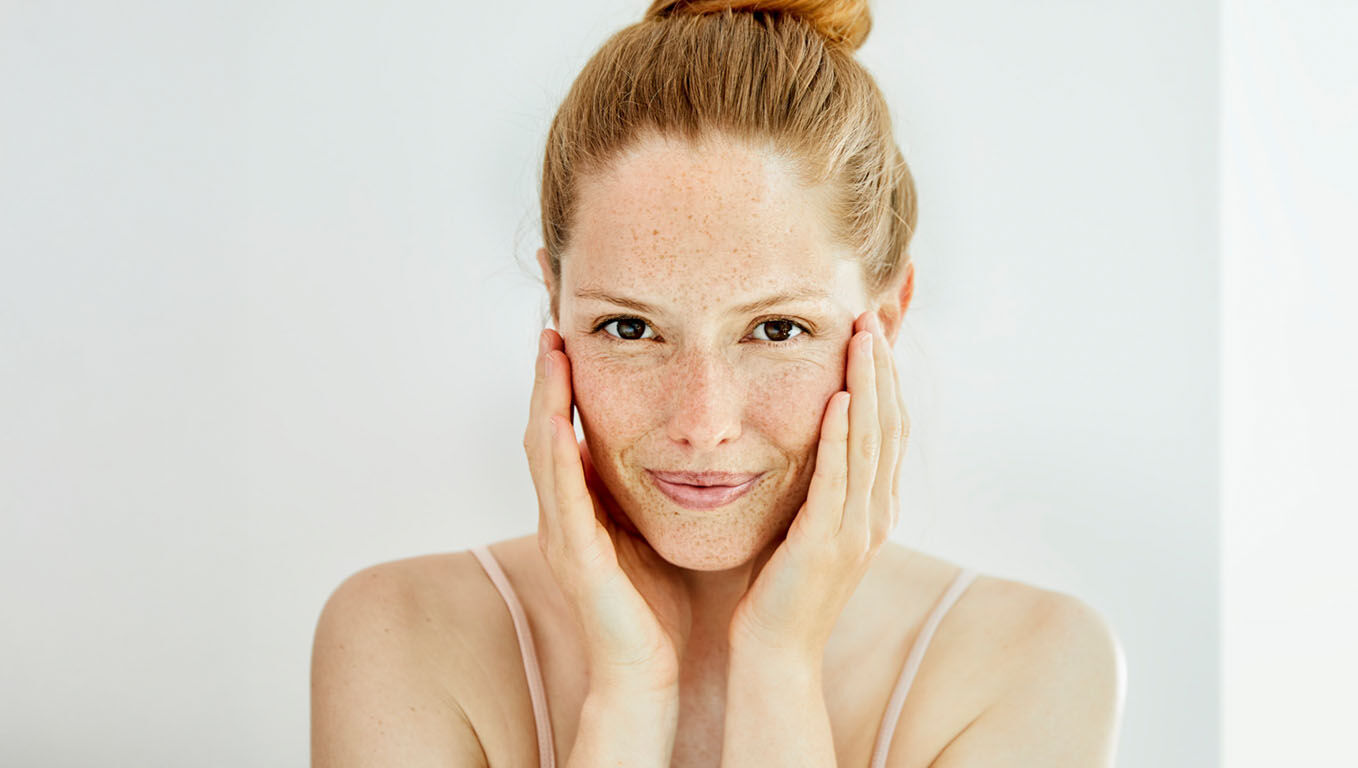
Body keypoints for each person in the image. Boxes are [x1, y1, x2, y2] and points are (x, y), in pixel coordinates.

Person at [310, 1, 1125, 765]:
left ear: (887, 314)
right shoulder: (401, 635)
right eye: (629, 328)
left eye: (777, 330)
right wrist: (628, 695)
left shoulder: (1033, 661)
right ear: (553, 303)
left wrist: (778, 668)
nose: (703, 423)